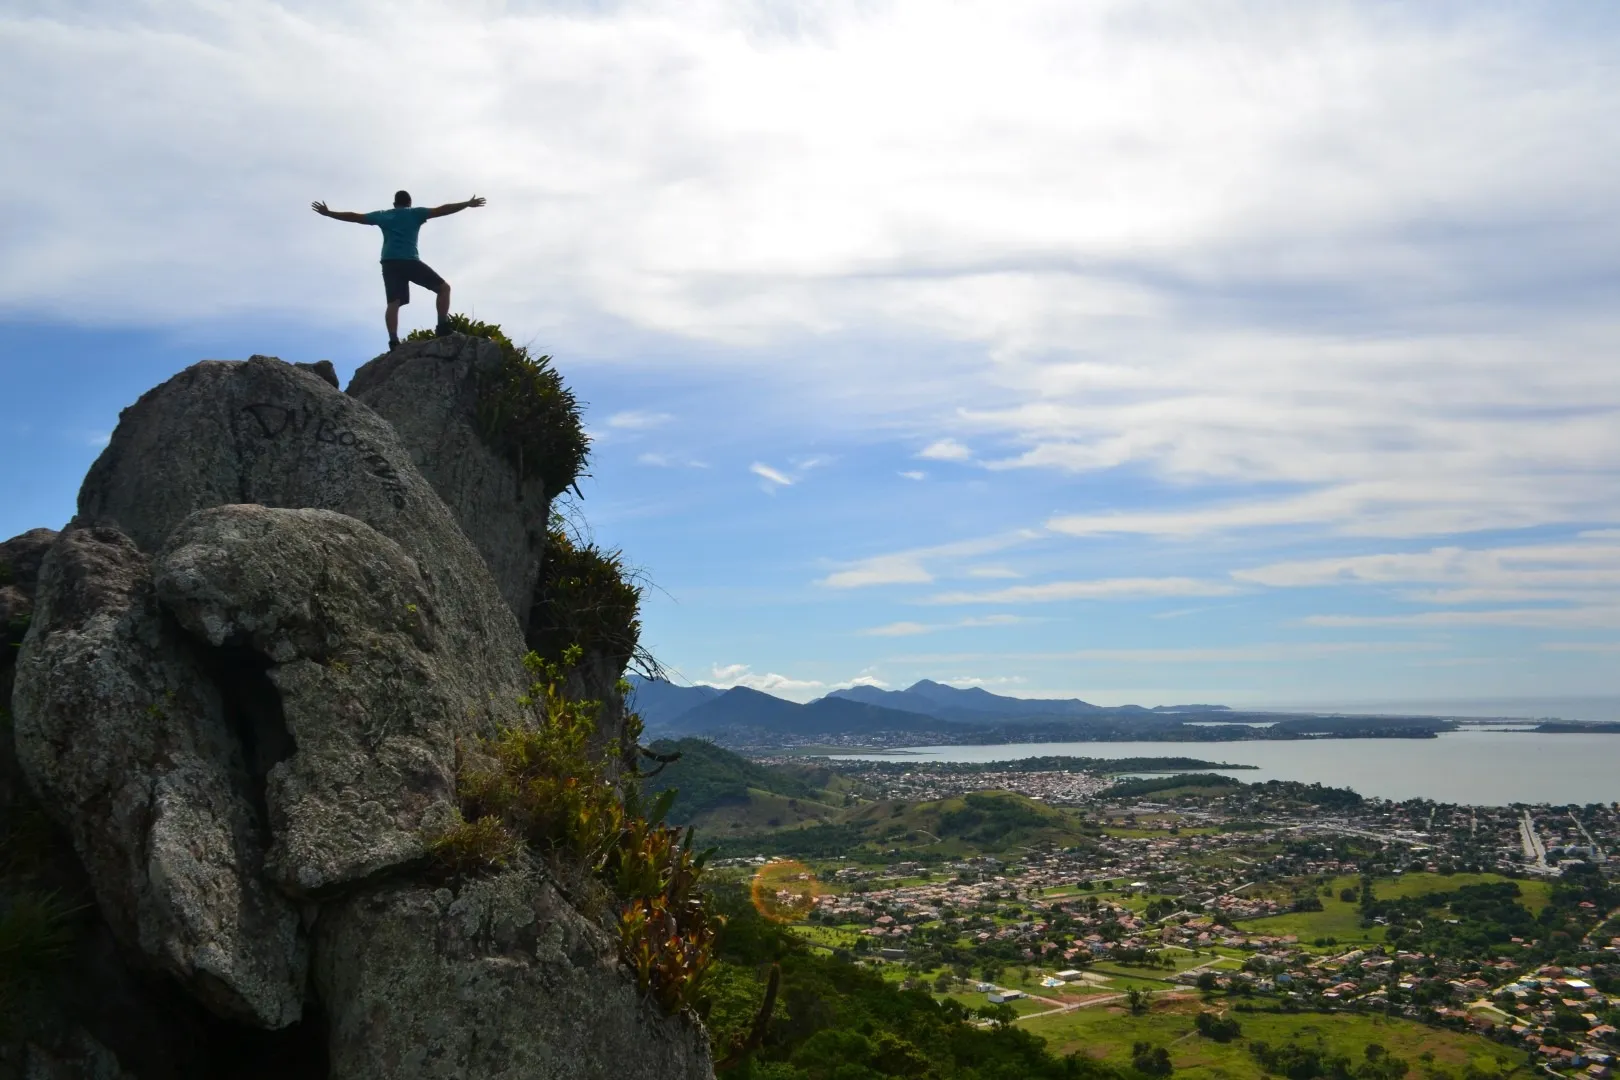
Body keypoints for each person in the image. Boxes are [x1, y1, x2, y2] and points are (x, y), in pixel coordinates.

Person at [311, 190, 486, 349]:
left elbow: (356, 217)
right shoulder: (415, 213)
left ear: (394, 204)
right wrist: (466, 204)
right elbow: (442, 210)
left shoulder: (383, 215)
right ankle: (442, 327)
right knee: (444, 288)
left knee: (393, 303)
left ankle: (393, 340)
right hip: (409, 261)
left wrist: (329, 213)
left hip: (389, 262)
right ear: (409, 202)